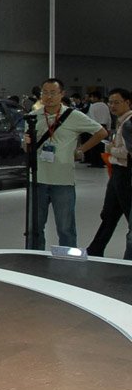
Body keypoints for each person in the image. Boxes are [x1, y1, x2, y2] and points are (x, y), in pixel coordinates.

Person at [25, 77, 108, 250]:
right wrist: (25, 143)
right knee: (34, 228)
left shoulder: (73, 116)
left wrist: (81, 150)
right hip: (37, 179)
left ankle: (68, 261)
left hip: (63, 180)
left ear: (62, 94)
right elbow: (26, 146)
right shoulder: (33, 117)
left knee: (65, 229)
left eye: (53, 93)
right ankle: (34, 259)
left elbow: (101, 132)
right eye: (45, 93)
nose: (48, 97)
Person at [85, 88, 132, 259]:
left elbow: (128, 153)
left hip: (125, 174)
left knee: (125, 215)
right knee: (109, 214)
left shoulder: (128, 123)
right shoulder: (122, 121)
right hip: (118, 173)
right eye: (110, 102)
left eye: (116, 102)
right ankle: (95, 250)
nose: (112, 106)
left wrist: (111, 149)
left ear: (128, 102)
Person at [84, 90, 111, 167]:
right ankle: (101, 162)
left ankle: (94, 162)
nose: (91, 99)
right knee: (102, 146)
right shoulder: (105, 106)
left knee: (94, 145)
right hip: (104, 126)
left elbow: (91, 118)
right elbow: (109, 118)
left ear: (96, 98)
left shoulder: (93, 106)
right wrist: (108, 128)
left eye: (92, 97)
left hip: (95, 126)